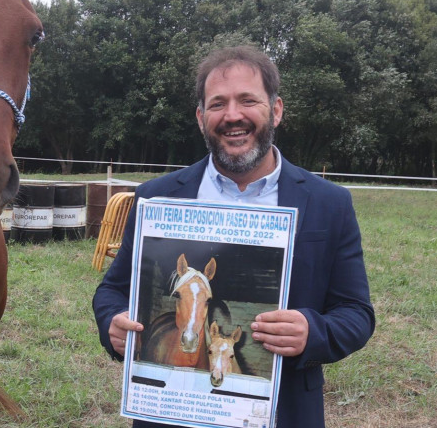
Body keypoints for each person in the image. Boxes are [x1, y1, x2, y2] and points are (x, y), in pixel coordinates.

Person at [92, 45, 375, 428]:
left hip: (282, 414)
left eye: (247, 100)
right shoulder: (156, 197)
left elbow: (356, 314)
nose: (232, 116)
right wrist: (114, 323)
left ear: (275, 110)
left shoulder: (329, 204)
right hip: (172, 415)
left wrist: (313, 331)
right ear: (200, 117)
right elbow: (112, 291)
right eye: (217, 104)